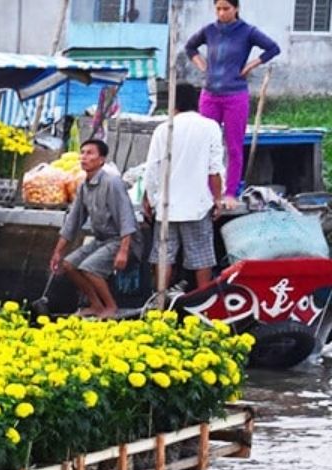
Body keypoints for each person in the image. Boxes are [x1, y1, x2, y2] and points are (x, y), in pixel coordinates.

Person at [185, 0, 280, 204]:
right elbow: (190, 47)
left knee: (234, 146)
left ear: (236, 8)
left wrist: (251, 65)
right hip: (210, 95)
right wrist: (202, 66)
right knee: (206, 144)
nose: (221, 13)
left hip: (235, 96)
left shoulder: (247, 31)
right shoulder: (209, 30)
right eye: (218, 9)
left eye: (226, 9)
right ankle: (206, 191)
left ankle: (230, 193)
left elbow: (273, 48)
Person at [143, 83, 226, 291]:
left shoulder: (163, 129)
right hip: (197, 206)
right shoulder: (210, 127)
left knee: (164, 257)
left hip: (166, 207)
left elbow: (152, 169)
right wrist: (218, 199)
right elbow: (214, 170)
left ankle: (159, 305)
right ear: (196, 102)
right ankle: (204, 306)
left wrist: (149, 199)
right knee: (202, 258)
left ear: (173, 103)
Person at [49, 139, 138, 318]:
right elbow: (72, 222)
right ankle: (96, 305)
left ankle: (111, 307)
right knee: (68, 265)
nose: (84, 157)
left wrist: (124, 250)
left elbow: (127, 218)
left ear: (101, 159)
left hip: (120, 240)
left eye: (90, 153)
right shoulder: (83, 186)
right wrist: (58, 252)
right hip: (101, 240)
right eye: (82, 152)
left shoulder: (112, 182)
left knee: (90, 268)